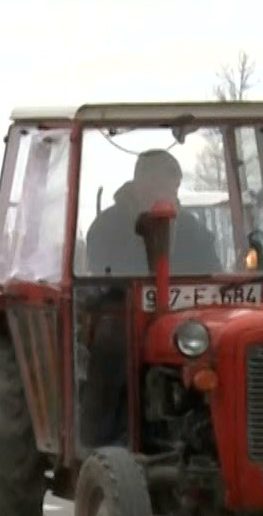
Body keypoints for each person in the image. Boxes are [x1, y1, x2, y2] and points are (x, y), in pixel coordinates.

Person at [78, 149, 224, 448]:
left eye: (170, 186)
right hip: (124, 311)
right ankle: (104, 437)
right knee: (113, 341)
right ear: (138, 183)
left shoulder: (194, 231)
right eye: (155, 185)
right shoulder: (107, 227)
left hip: (187, 318)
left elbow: (213, 274)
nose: (164, 192)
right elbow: (101, 278)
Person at [82, 149, 221, 277]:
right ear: (138, 184)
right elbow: (99, 289)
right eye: (158, 186)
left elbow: (214, 280)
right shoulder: (105, 229)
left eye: (173, 188)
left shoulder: (192, 230)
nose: (166, 195)